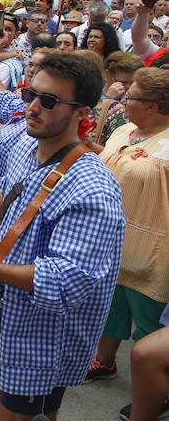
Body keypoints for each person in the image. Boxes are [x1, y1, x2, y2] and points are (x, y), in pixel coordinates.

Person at [0, 54, 125, 421]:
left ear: (81, 113)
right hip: (1, 311)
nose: (33, 107)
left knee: (24, 414)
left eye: (50, 101)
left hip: (40, 334)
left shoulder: (93, 191)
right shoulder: (27, 146)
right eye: (31, 94)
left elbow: (66, 282)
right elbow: (11, 195)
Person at [86, 67, 169, 418]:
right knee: (112, 306)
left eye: (130, 97)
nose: (122, 101)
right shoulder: (123, 129)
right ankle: (105, 362)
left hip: (153, 250)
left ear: (152, 106)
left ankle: (156, 391)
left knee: (149, 323)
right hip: (113, 243)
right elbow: (114, 160)